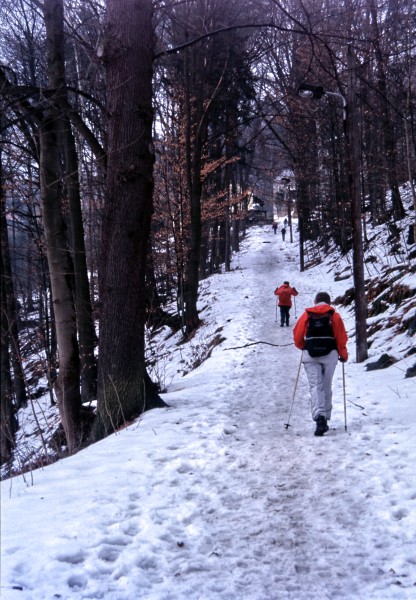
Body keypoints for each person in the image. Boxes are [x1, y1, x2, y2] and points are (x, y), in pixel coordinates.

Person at [293, 292, 348, 436]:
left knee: (316, 386)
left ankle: (320, 418)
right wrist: (343, 355)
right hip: (330, 354)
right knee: (326, 385)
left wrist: (304, 346)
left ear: (315, 301)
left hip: (310, 355)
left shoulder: (307, 314)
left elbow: (297, 335)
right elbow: (341, 338)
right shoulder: (333, 315)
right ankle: (325, 418)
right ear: (329, 302)